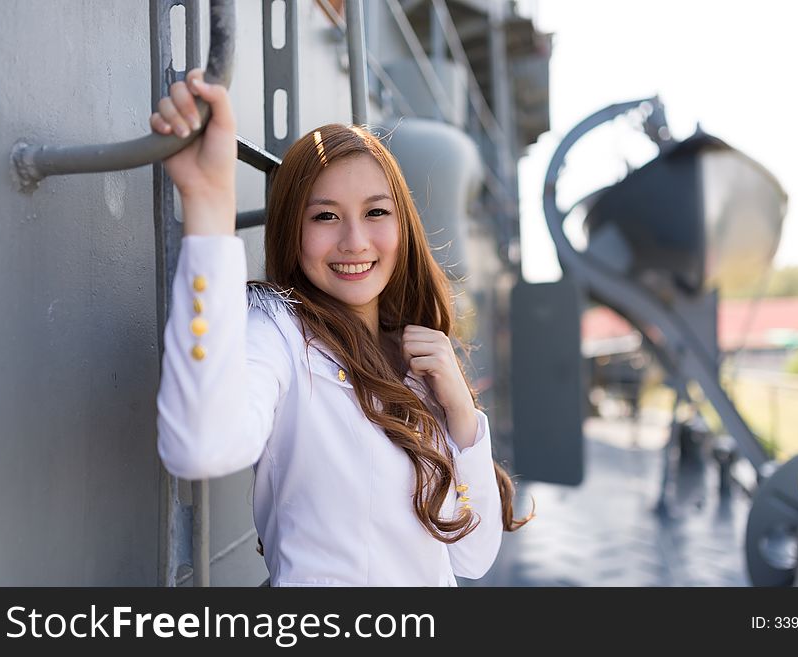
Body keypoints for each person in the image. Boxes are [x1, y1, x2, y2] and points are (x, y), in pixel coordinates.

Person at [153, 68, 532, 587]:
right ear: (293, 229)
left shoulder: (417, 358)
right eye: (325, 217)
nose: (355, 241)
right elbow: (200, 445)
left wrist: (461, 415)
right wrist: (207, 204)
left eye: (376, 211)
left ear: (403, 226)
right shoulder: (279, 329)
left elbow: (473, 557)